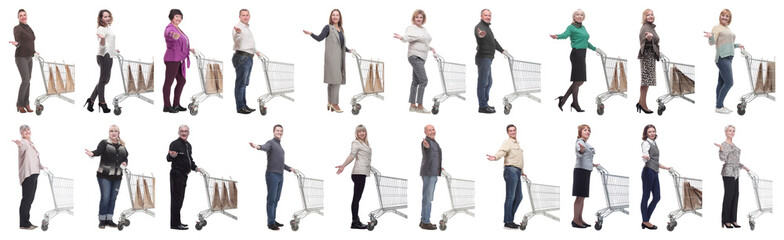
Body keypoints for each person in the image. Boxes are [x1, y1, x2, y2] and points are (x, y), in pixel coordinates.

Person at [303, 9, 355, 113]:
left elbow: (341, 44)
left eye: (337, 15)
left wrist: (348, 50)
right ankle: (335, 104)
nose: (335, 17)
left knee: (332, 82)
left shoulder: (341, 29)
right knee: (336, 80)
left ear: (340, 17)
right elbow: (319, 38)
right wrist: (311, 34)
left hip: (340, 58)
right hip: (332, 59)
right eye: (333, 15)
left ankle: (330, 102)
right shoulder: (328, 28)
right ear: (331, 17)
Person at [551, 9, 602, 113]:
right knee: (578, 80)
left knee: (580, 81)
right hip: (576, 54)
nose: (579, 16)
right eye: (577, 14)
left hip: (582, 54)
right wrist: (557, 36)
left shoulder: (583, 27)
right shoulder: (571, 27)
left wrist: (595, 48)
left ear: (584, 17)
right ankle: (575, 103)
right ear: (573, 17)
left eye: (581, 15)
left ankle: (564, 99)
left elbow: (585, 41)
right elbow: (564, 35)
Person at [250, 124, 297, 231]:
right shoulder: (270, 143)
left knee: (276, 199)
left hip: (280, 175)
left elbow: (280, 163)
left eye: (281, 131)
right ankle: (270, 223)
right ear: (273, 132)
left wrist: (290, 168)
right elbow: (264, 147)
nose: (279, 132)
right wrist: (257, 146)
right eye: (277, 130)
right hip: (272, 174)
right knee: (271, 199)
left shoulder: (280, 146)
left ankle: (273, 219)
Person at [84, 125, 128, 229]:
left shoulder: (122, 145)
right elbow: (98, 151)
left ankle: (109, 219)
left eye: (115, 131)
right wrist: (92, 153)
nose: (113, 133)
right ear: (109, 132)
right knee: (105, 198)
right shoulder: (104, 143)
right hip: (104, 176)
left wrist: (125, 163)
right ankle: (102, 220)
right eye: (111, 131)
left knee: (113, 198)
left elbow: (126, 158)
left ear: (118, 133)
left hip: (117, 176)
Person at [393, 9, 436, 114]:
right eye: (417, 17)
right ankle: (420, 106)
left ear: (423, 19)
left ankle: (412, 105)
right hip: (414, 56)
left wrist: (431, 48)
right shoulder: (412, 28)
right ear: (414, 18)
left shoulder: (424, 29)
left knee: (416, 81)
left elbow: (423, 42)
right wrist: (402, 38)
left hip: (422, 57)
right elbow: (408, 37)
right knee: (424, 80)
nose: (419, 19)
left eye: (421, 17)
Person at [704, 9, 745, 114]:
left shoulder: (728, 28)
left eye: (727, 16)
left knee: (721, 83)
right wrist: (710, 37)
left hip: (729, 58)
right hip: (722, 58)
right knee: (729, 83)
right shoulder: (716, 28)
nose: (724, 17)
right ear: (720, 16)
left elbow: (728, 44)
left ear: (729, 18)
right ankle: (718, 106)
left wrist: (737, 45)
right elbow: (712, 42)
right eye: (723, 15)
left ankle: (720, 105)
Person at [486, 124, 526, 229]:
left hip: (517, 171)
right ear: (507, 133)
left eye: (514, 130)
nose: (513, 132)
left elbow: (518, 159)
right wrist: (495, 157)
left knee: (519, 197)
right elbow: (502, 152)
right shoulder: (507, 142)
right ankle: (508, 221)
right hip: (511, 171)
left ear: (516, 131)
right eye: (510, 131)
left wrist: (522, 172)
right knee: (511, 197)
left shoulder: (517, 144)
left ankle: (509, 219)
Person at [335, 125, 371, 229]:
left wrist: (370, 167)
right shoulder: (356, 142)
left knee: (357, 199)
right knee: (356, 199)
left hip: (362, 173)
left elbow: (364, 158)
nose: (362, 133)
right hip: (358, 174)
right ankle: (355, 222)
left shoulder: (365, 143)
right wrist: (343, 165)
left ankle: (356, 220)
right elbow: (352, 155)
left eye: (363, 131)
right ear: (356, 133)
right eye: (359, 132)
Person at [714, 125, 750, 228]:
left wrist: (744, 167)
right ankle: (725, 220)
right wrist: (721, 149)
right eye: (730, 131)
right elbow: (722, 158)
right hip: (728, 173)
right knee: (729, 195)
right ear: (726, 132)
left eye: (733, 131)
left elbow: (736, 161)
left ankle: (733, 219)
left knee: (735, 196)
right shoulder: (724, 144)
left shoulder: (734, 145)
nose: (732, 132)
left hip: (736, 173)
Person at [167, 124, 201, 230]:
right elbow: (168, 158)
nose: (184, 133)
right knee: (176, 200)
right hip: (177, 174)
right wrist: (171, 155)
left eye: (186, 131)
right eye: (182, 131)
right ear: (178, 133)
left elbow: (189, 159)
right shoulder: (174, 144)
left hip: (184, 175)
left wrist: (196, 168)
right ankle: (175, 224)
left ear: (188, 133)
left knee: (180, 200)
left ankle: (177, 222)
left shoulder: (188, 145)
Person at [474, 9, 508, 114]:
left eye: (489, 15)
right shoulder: (479, 27)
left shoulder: (488, 28)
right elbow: (479, 35)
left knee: (489, 82)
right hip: (483, 58)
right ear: (481, 16)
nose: (488, 17)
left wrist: (502, 50)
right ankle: (482, 106)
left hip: (488, 59)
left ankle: (485, 103)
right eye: (485, 15)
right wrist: (480, 35)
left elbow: (493, 41)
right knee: (483, 83)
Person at [163, 9, 196, 113]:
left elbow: (181, 43)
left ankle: (176, 104)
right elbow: (169, 33)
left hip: (178, 59)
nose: (179, 19)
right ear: (172, 17)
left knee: (181, 81)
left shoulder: (178, 28)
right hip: (172, 59)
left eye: (180, 17)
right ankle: (167, 106)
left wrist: (188, 49)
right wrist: (173, 35)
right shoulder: (170, 27)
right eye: (177, 16)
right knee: (168, 82)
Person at [86, 9, 119, 113]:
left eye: (109, 16)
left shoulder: (108, 27)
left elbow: (110, 42)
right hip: (104, 56)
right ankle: (102, 102)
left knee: (105, 80)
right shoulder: (100, 29)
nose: (108, 18)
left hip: (109, 55)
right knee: (103, 80)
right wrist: (103, 39)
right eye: (105, 17)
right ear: (101, 18)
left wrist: (114, 50)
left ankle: (91, 100)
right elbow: (102, 44)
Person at [14, 125, 45, 230]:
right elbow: (21, 149)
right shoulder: (23, 142)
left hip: (35, 173)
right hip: (28, 174)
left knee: (30, 199)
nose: (27, 131)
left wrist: (41, 166)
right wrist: (19, 145)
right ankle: (23, 224)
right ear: (21, 133)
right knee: (26, 199)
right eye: (24, 130)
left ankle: (26, 221)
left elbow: (33, 159)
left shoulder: (31, 144)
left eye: (28, 129)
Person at [639, 124, 670, 230]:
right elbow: (646, 156)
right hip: (648, 172)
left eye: (653, 131)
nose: (652, 133)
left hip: (655, 172)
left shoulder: (654, 143)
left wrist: (664, 167)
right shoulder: (645, 143)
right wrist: (645, 158)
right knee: (646, 196)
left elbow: (655, 160)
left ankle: (645, 219)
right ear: (646, 133)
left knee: (657, 197)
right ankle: (646, 221)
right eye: (650, 132)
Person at [232, 8, 261, 114]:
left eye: (247, 15)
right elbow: (237, 39)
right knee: (240, 83)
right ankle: (240, 107)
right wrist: (238, 33)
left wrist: (256, 51)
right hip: (242, 58)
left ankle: (244, 105)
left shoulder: (246, 28)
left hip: (248, 57)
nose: (245, 17)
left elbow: (248, 43)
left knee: (244, 83)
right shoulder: (238, 27)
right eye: (243, 15)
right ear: (239, 17)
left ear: (249, 16)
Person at [572, 124, 599, 228]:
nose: (587, 132)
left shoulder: (585, 143)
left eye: (589, 130)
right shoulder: (579, 142)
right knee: (579, 197)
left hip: (586, 170)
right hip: (580, 171)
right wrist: (582, 150)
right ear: (580, 132)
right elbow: (580, 152)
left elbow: (586, 158)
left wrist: (593, 164)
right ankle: (575, 220)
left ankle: (580, 218)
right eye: (585, 130)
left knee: (582, 197)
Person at [10, 9, 36, 113]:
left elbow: (30, 41)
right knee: (25, 80)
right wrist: (17, 44)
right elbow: (19, 42)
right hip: (21, 57)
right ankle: (19, 104)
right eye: (21, 15)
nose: (23, 17)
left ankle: (26, 103)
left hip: (29, 57)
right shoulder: (17, 28)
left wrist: (34, 52)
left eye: (24, 15)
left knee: (28, 80)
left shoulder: (29, 27)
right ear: (18, 18)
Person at [419, 124, 442, 230]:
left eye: (433, 129)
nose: (432, 131)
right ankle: (426, 222)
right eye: (429, 130)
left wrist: (439, 167)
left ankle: (423, 220)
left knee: (427, 198)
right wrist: (426, 146)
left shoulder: (434, 142)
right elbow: (427, 149)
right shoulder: (427, 142)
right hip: (429, 174)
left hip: (433, 172)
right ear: (425, 132)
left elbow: (433, 157)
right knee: (428, 199)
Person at [637, 9, 659, 114]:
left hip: (650, 56)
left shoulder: (650, 27)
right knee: (646, 82)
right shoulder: (645, 27)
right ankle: (643, 104)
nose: (650, 16)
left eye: (652, 14)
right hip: (647, 56)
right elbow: (643, 41)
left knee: (646, 82)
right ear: (644, 17)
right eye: (648, 15)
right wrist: (648, 39)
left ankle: (640, 102)